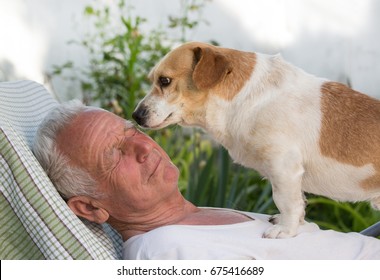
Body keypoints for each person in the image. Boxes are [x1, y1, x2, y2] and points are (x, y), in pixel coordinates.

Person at [32, 100, 380, 260]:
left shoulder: (190, 221)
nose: (142, 146)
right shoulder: (167, 252)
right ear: (91, 208)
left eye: (130, 131)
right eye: (114, 154)